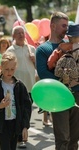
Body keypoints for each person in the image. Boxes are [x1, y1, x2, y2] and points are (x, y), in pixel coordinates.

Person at [36, 12, 79, 150]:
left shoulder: (72, 46)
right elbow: (44, 74)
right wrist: (67, 82)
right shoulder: (43, 49)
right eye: (63, 25)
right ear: (53, 26)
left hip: (77, 96)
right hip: (58, 98)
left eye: (67, 25)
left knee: (74, 138)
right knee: (63, 139)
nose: (67, 29)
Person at [0, 51, 32, 150]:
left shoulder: (19, 85)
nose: (9, 72)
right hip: (2, 124)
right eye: (6, 69)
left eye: (12, 69)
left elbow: (27, 107)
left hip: (16, 123)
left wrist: (25, 126)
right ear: (1, 67)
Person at [7, 25, 36, 148]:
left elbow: (37, 67)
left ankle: (23, 131)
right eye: (18, 33)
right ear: (13, 36)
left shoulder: (31, 49)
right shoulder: (10, 50)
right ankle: (20, 136)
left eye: (22, 33)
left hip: (30, 85)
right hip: (17, 86)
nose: (21, 35)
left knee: (27, 110)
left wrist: (34, 60)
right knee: (18, 110)